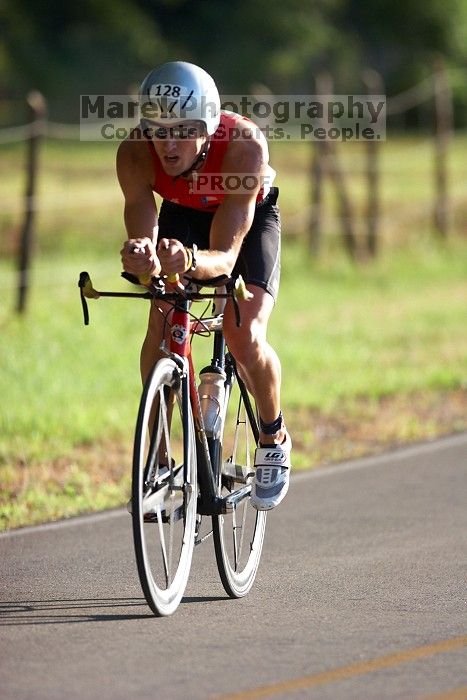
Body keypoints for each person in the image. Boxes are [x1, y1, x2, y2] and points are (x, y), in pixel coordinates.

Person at [117, 61, 291, 510]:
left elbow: (228, 257)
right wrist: (144, 256)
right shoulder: (135, 152)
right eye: (158, 130)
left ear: (208, 126)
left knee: (242, 332)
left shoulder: (243, 148)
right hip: (184, 214)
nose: (168, 144)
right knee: (160, 327)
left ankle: (273, 434)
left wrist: (192, 260)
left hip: (245, 218)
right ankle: (156, 459)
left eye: (182, 130)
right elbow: (142, 226)